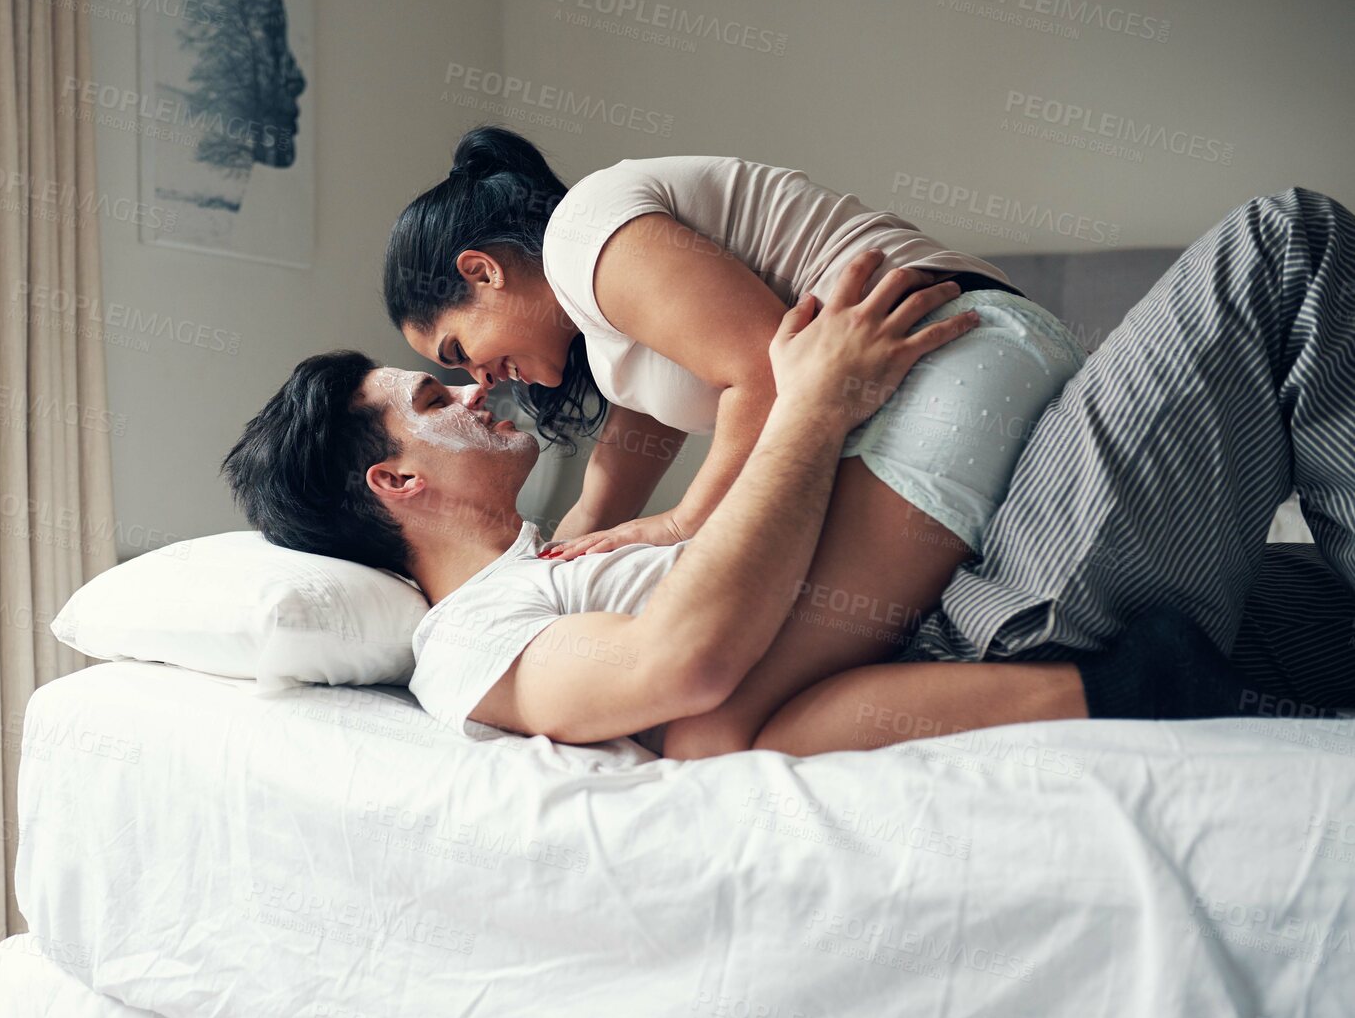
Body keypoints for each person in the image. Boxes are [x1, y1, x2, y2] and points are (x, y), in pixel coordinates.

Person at [226, 192, 1355, 758]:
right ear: (396, 487)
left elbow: (665, 437)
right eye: (435, 398)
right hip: (981, 624)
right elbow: (692, 671)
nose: (482, 391)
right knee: (1280, 243)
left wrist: (635, 513)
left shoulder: (561, 551)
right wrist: (812, 401)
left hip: (993, 553)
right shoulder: (470, 635)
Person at [381, 128, 1087, 753]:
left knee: (717, 734)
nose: (479, 377)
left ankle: (1132, 684)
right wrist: (573, 541)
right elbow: (635, 436)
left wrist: (687, 521)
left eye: (456, 349)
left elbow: (767, 374)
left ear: (482, 272)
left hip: (947, 356)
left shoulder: (583, 238)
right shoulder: (600, 317)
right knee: (723, 723)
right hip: (932, 374)